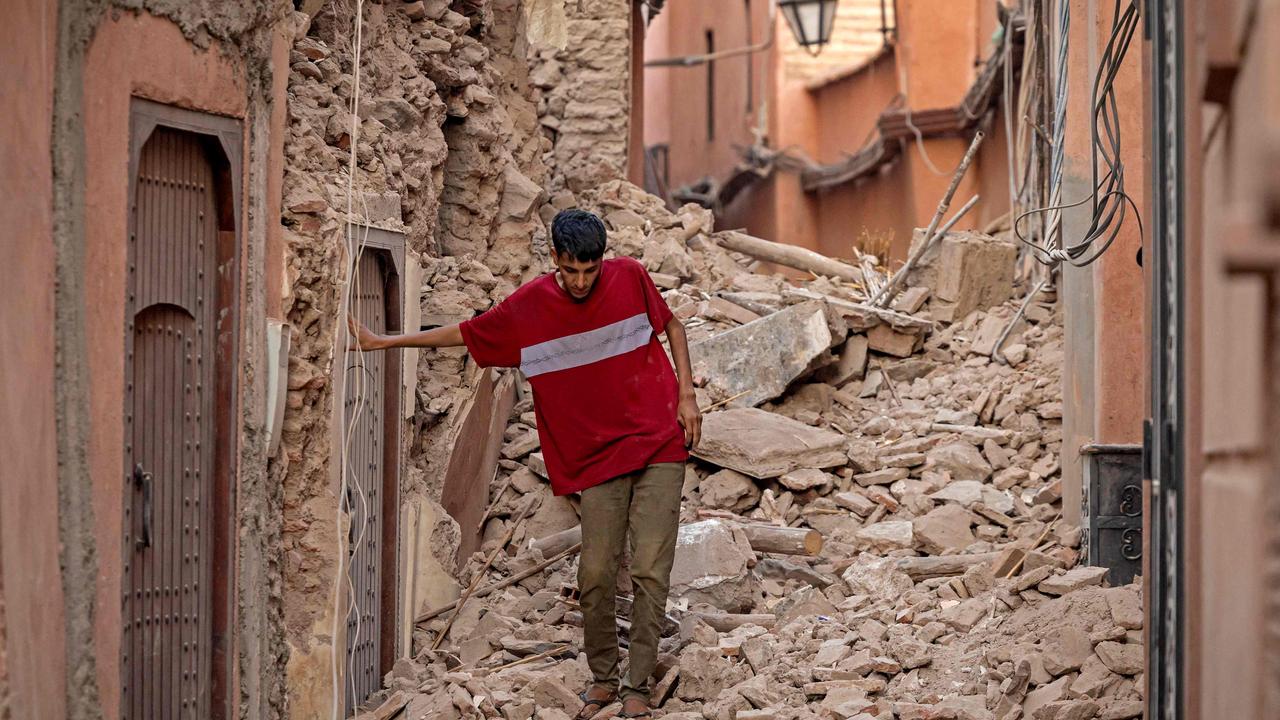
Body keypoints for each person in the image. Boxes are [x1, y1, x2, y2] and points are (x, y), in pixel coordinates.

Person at [348, 209, 701, 719]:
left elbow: (671, 325)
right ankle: (604, 676)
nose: (581, 282)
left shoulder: (630, 276)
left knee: (650, 569)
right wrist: (387, 343)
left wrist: (687, 396)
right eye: (571, 270)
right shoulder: (529, 308)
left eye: (590, 270)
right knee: (597, 574)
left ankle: (637, 686)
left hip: (659, 442)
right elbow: (466, 333)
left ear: (603, 260)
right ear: (554, 258)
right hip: (597, 457)